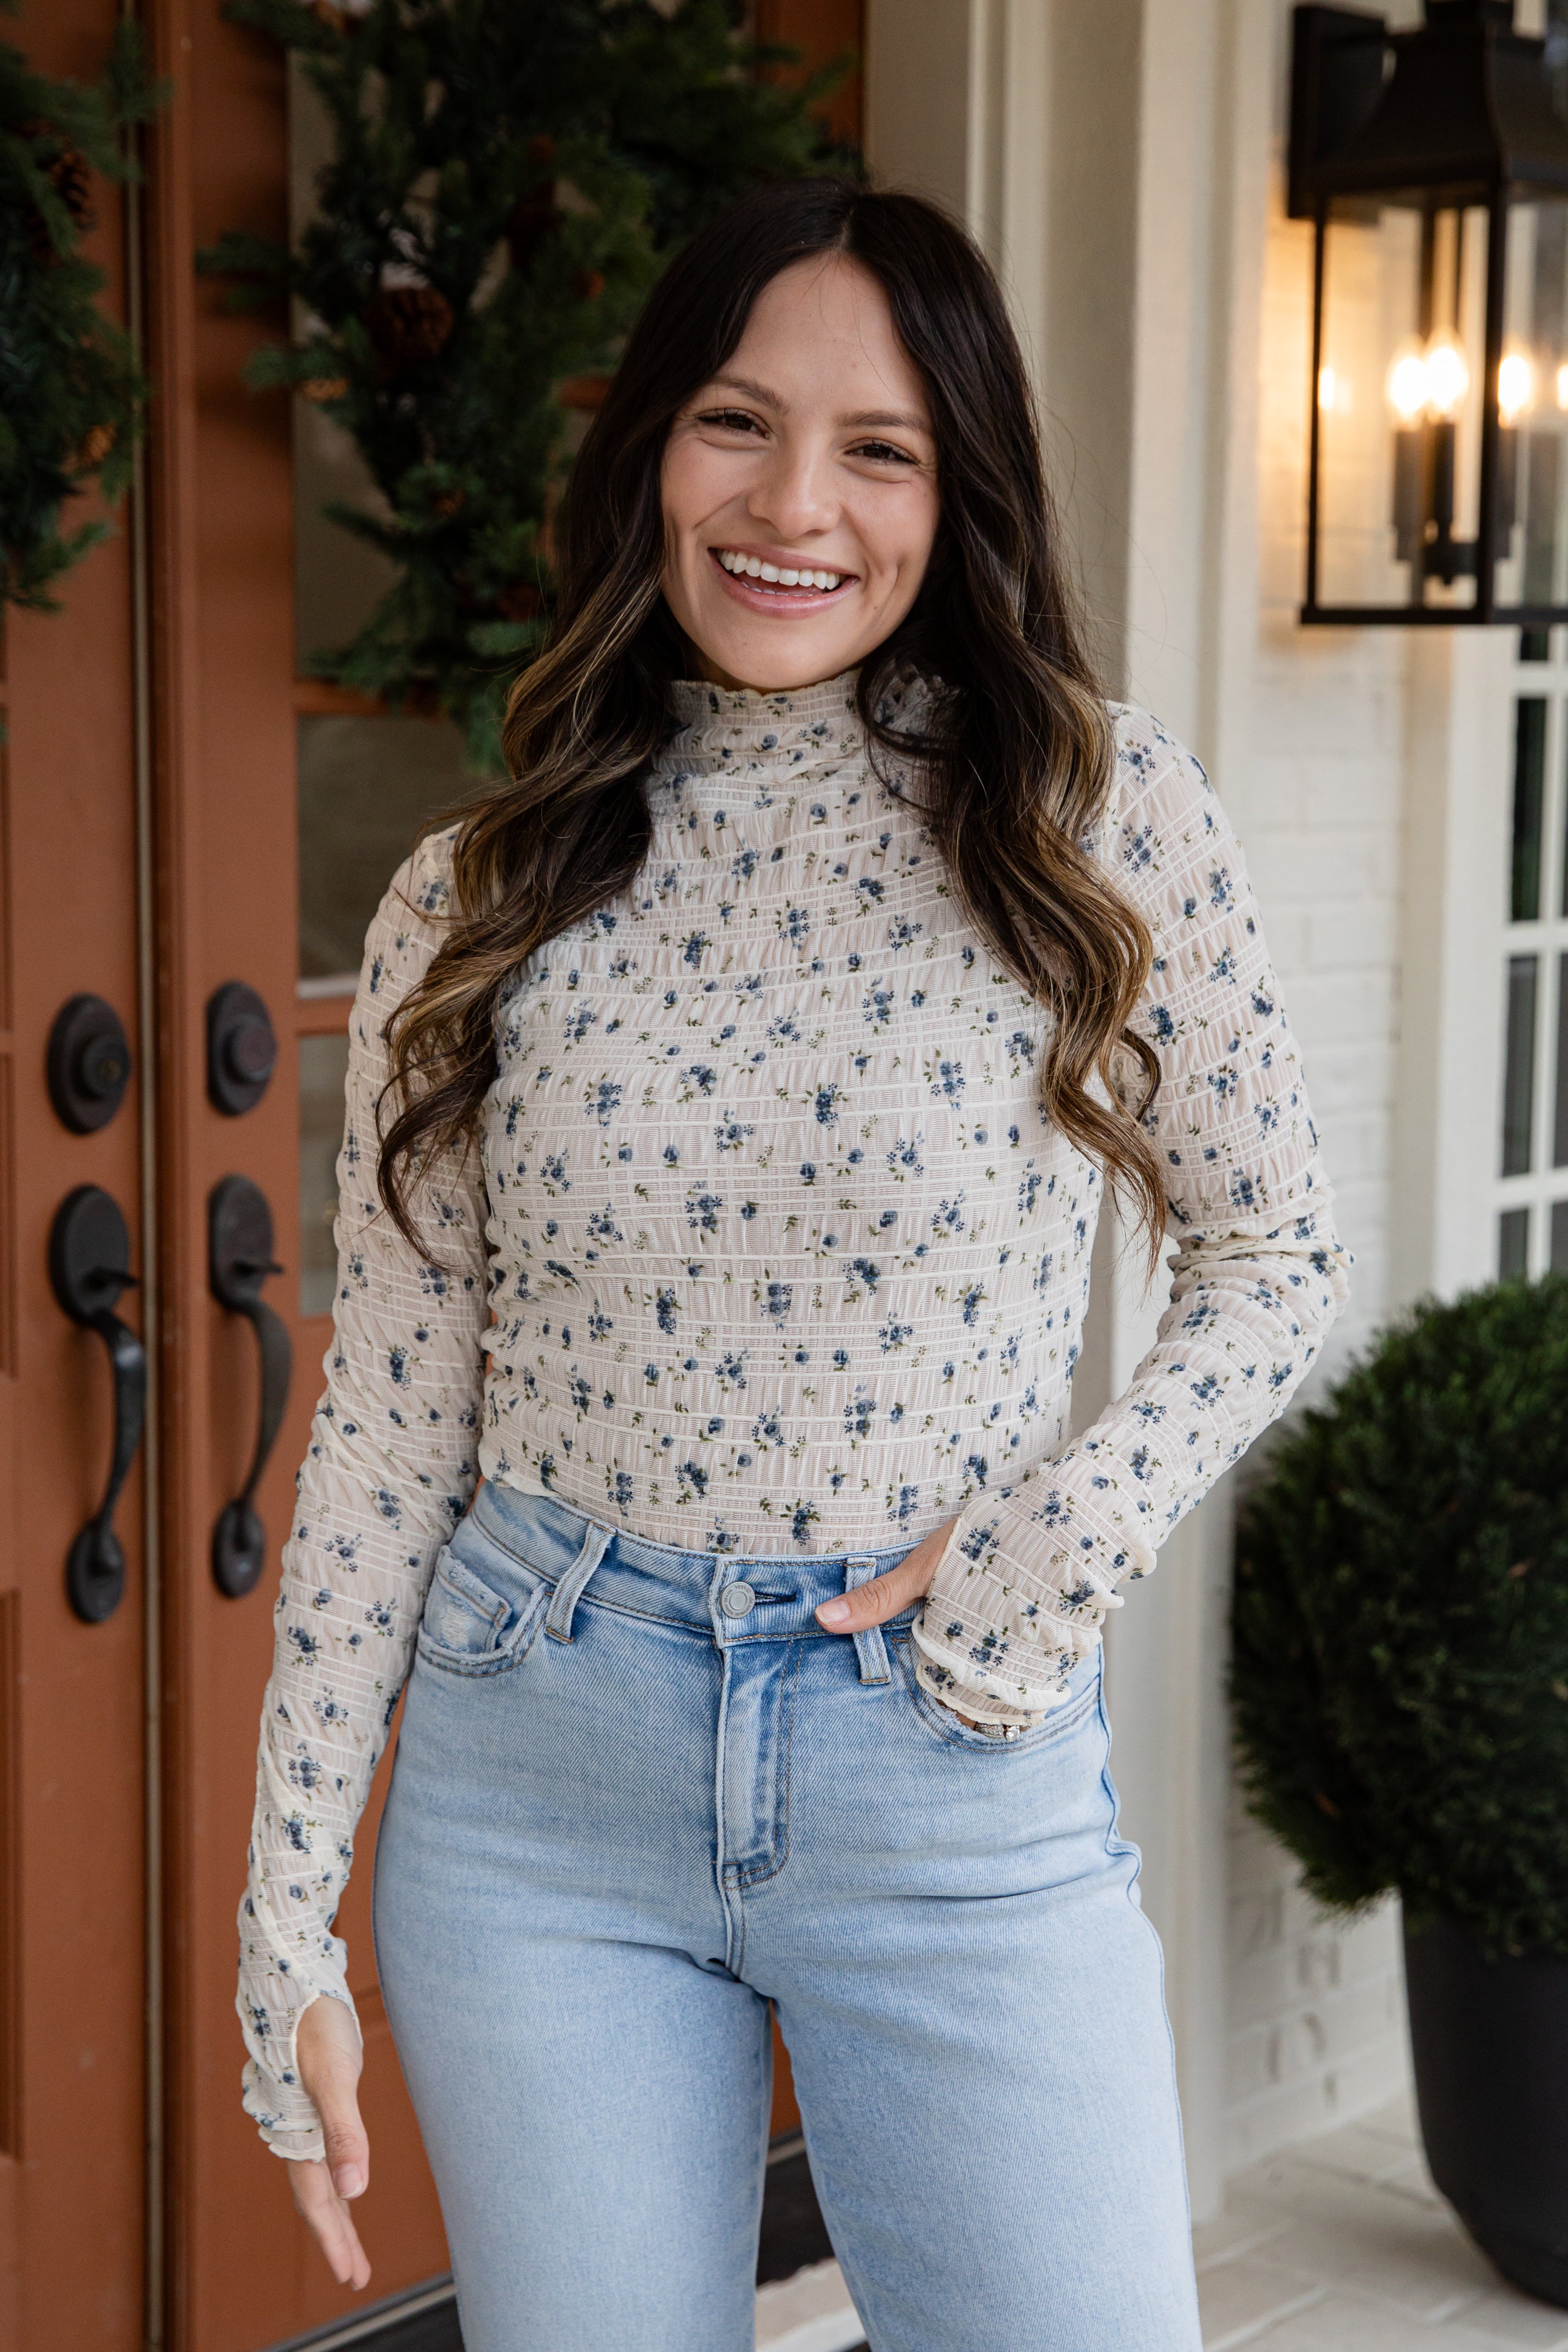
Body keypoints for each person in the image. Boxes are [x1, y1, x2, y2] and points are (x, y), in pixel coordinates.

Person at [237, 178, 1349, 2352]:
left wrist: (1054, 1545)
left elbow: (1271, 1248)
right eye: (736, 422)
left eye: (879, 449)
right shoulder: (479, 891)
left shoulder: (1092, 816)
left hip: (941, 1758)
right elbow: (388, 1421)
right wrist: (288, 1912)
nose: (792, 506)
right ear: (653, 443)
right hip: (538, 1769)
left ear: (959, 491)